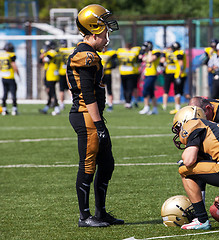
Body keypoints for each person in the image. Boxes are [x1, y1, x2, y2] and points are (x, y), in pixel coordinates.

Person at [66, 4, 123, 227]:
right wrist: (99, 126)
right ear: (94, 30)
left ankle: (100, 212)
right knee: (88, 166)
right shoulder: (86, 56)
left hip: (92, 116)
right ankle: (85, 216)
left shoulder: (90, 54)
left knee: (107, 163)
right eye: (105, 31)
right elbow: (88, 95)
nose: (108, 35)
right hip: (85, 115)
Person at [138, 41, 160, 115]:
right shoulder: (147, 54)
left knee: (145, 90)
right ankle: (155, 108)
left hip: (152, 74)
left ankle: (146, 107)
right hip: (147, 74)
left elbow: (150, 59)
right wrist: (142, 51)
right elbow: (140, 58)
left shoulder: (155, 52)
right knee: (151, 93)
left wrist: (150, 50)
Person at [39, 40, 60, 115]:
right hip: (49, 73)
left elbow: (45, 59)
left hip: (51, 74)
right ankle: (47, 108)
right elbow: (41, 62)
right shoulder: (53, 52)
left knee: (52, 91)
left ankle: (57, 108)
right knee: (49, 91)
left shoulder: (52, 52)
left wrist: (43, 54)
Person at [117, 43, 141, 109]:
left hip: (125, 72)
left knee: (126, 88)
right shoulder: (135, 51)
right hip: (131, 72)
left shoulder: (120, 51)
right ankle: (128, 102)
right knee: (129, 88)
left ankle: (128, 102)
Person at [0, 42, 20, 116]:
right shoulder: (11, 55)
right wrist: (18, 74)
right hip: (10, 77)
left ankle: (4, 109)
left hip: (3, 77)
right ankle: (14, 109)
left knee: (5, 93)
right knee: (13, 93)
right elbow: (14, 65)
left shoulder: (1, 55)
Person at [169, 42, 187, 114]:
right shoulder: (180, 52)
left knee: (178, 92)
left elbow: (181, 64)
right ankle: (178, 107)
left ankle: (178, 107)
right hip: (180, 74)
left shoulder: (178, 53)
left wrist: (179, 74)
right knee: (180, 92)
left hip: (180, 75)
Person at [98, 46, 118, 112]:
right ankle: (100, 103)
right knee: (100, 89)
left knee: (109, 89)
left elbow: (116, 55)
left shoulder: (110, 53)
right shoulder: (98, 53)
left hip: (107, 73)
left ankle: (110, 104)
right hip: (100, 74)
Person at [58, 39, 74, 111]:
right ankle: (74, 102)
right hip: (69, 72)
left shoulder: (59, 51)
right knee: (69, 88)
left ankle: (61, 104)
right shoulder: (71, 50)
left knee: (61, 89)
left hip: (62, 72)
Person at [160, 45, 176, 111]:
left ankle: (164, 105)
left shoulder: (166, 52)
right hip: (175, 73)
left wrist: (163, 66)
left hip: (168, 73)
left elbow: (162, 61)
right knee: (176, 91)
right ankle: (177, 106)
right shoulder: (177, 53)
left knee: (166, 90)